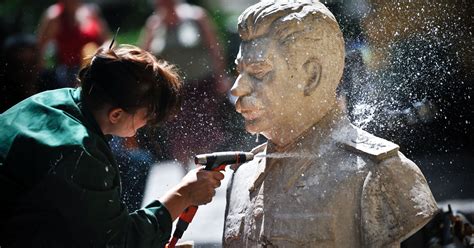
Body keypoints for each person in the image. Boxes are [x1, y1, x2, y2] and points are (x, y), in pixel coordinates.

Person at [223, 1, 438, 247]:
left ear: (311, 76)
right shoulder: (242, 175)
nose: (237, 88)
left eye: (258, 72)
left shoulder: (379, 173)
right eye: (239, 71)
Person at [0, 44, 224, 247]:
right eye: (146, 116)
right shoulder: (78, 152)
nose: (146, 125)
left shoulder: (49, 100)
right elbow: (117, 242)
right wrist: (184, 194)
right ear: (116, 114)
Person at [140, 0, 230, 164]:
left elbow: (214, 47)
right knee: (178, 131)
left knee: (203, 128)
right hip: (174, 89)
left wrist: (221, 76)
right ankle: (185, 171)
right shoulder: (154, 25)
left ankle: (206, 167)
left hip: (202, 84)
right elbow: (144, 56)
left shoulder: (196, 16)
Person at [37, 0, 110, 87]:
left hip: (96, 66)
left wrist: (103, 52)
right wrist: (43, 76)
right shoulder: (55, 16)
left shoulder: (91, 12)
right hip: (69, 72)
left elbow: (108, 41)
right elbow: (40, 48)